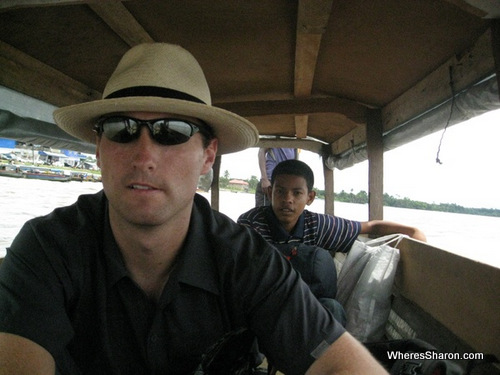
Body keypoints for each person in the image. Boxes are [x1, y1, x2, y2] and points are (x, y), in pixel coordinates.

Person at [0, 43, 388, 374]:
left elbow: (342, 364)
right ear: (100, 149)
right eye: (122, 129)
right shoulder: (47, 249)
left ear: (208, 156)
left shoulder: (247, 260)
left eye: (173, 132)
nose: (145, 155)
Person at [238, 159, 427, 251]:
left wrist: (412, 232)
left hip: (306, 305)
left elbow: (371, 226)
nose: (288, 199)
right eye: (280, 191)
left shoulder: (317, 226)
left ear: (310, 198)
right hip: (263, 305)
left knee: (332, 306)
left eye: (297, 193)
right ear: (270, 193)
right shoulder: (251, 224)